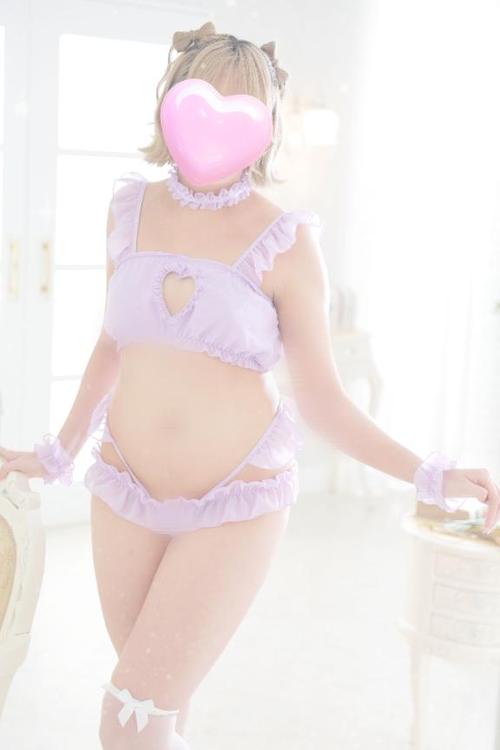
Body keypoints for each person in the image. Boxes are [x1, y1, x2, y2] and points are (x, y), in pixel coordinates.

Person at [0, 20, 499, 750]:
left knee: (128, 719)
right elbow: (113, 344)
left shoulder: (285, 240)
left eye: (239, 112)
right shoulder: (128, 209)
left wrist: (432, 473)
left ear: (265, 129)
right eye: (200, 103)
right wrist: (58, 452)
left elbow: (323, 401)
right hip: (123, 490)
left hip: (235, 503)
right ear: (170, 103)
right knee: (160, 710)